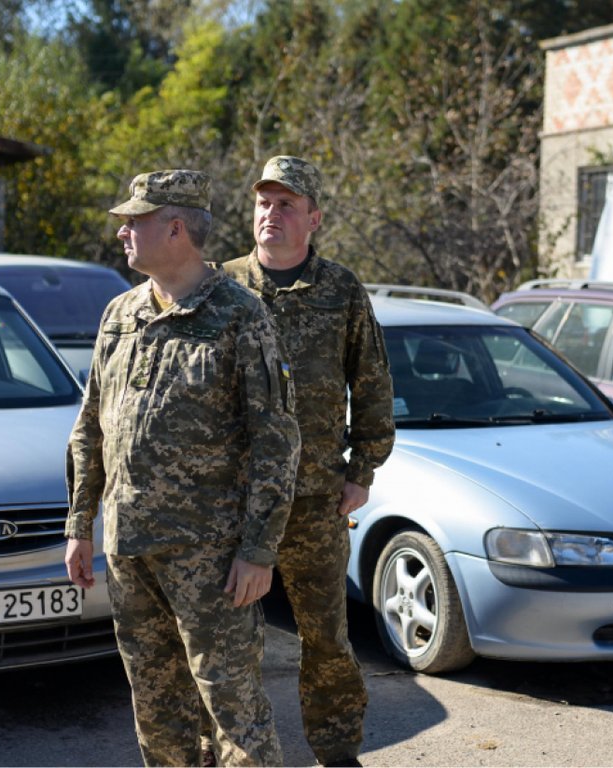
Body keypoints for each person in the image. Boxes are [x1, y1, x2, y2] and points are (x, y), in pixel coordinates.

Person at [64, 169, 301, 767]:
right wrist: (78, 523)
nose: (122, 231)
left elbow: (276, 439)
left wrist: (259, 549)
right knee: (157, 705)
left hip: (212, 558)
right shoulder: (119, 314)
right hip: (129, 548)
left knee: (234, 710)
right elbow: (92, 425)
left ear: (175, 228)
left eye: (134, 221)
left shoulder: (239, 315)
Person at [210, 156, 395, 768]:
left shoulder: (341, 290)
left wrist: (362, 470)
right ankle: (235, 752)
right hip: (232, 503)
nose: (272, 213)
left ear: (313, 218)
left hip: (314, 498)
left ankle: (338, 750)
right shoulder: (220, 286)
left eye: (286, 204)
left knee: (326, 639)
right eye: (264, 202)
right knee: (227, 642)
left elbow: (371, 383)